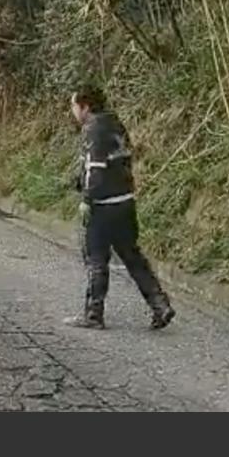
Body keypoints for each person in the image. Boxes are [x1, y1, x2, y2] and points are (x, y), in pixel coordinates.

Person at [66, 84, 175, 330]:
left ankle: (93, 314)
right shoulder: (116, 124)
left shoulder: (92, 130)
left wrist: (87, 198)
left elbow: (95, 169)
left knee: (96, 259)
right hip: (126, 202)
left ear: (85, 106)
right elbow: (120, 160)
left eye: (74, 106)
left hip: (103, 206)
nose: (72, 111)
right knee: (133, 257)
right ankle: (160, 305)